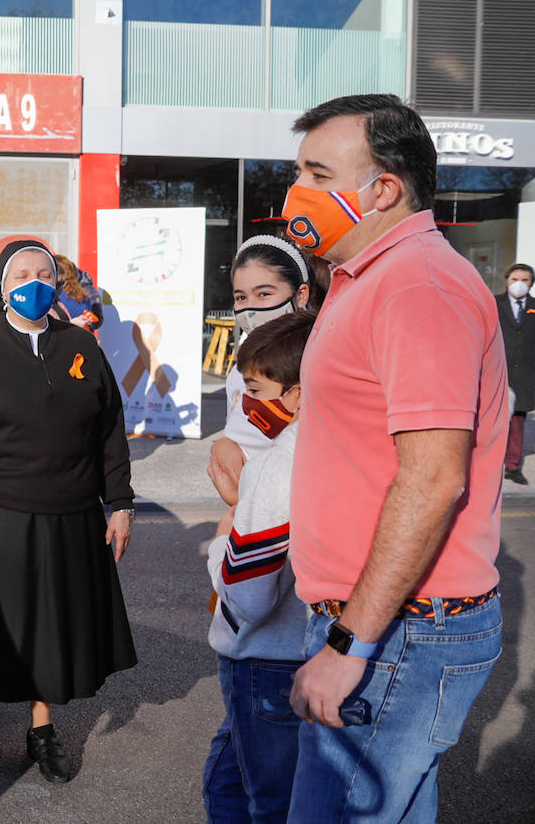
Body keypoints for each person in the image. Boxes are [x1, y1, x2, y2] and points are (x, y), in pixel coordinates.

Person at [279, 95, 506, 821]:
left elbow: (435, 478)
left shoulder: (416, 285)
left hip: (400, 624)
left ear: (383, 188)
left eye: (318, 171)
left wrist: (351, 642)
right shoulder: (368, 278)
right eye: (297, 169)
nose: (296, 190)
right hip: (389, 618)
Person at [0, 241, 137, 785]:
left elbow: (108, 429)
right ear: (1, 281)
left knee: (49, 630)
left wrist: (120, 503)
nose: (34, 282)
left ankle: (41, 728)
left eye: (44, 273)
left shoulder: (79, 343)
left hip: (68, 514)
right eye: (22, 273)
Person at [202, 311, 316, 824]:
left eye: (254, 387)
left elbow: (250, 596)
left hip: (266, 662)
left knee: (268, 803)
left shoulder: (276, 466)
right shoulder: (330, 451)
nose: (246, 402)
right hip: (299, 653)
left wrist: (224, 533)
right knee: (228, 777)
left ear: (296, 393)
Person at [207, 236, 327, 509]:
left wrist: (243, 499)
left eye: (264, 294)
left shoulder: (317, 355)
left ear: (301, 295)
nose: (250, 307)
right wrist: (224, 444)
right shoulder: (248, 351)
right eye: (241, 297)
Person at [496, 263, 535, 485]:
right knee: (492, 422)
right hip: (497, 371)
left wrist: (522, 356)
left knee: (517, 423)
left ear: (531, 283)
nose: (519, 284)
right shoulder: (494, 302)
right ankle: (489, 465)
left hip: (524, 374)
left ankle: (513, 466)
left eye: (525, 280)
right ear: (506, 280)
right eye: (514, 279)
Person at [50, 254, 102, 333]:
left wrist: (72, 323)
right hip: (85, 338)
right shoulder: (85, 292)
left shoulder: (57, 295)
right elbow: (97, 320)